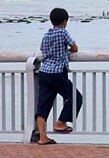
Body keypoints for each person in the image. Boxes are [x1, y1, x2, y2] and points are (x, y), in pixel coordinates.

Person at [35, 8, 83, 145]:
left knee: (43, 106)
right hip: (57, 73)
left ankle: (42, 137)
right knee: (76, 97)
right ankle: (61, 122)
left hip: (44, 72)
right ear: (65, 21)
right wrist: (66, 50)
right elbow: (74, 48)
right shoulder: (62, 32)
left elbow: (43, 51)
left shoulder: (46, 35)